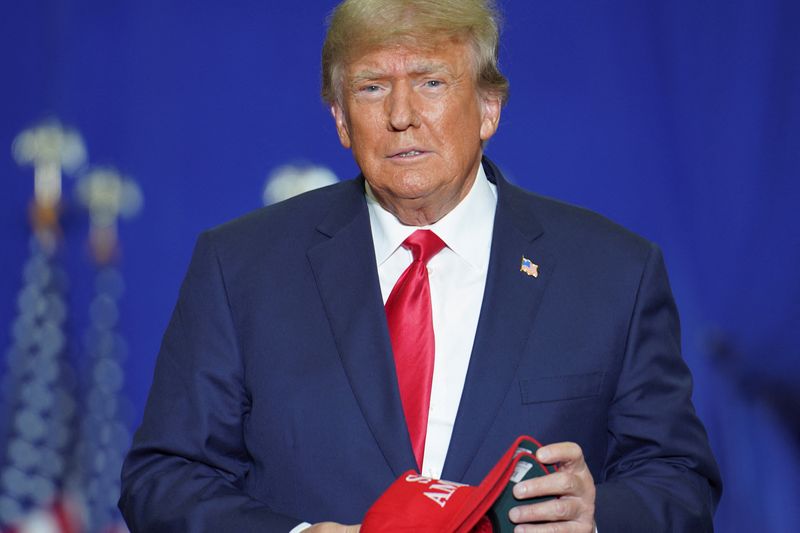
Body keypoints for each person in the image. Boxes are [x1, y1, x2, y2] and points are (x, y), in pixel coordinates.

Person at [119, 1, 721, 531]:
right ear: (339, 119)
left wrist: (595, 518)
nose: (401, 114)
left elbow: (679, 480)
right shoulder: (241, 266)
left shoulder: (613, 272)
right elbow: (163, 480)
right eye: (372, 87)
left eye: (431, 82)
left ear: (489, 107)